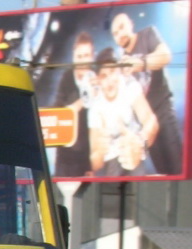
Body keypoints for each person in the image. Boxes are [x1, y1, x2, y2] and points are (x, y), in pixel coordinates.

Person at [110, 12, 182, 174]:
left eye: (121, 28)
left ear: (131, 24)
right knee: (162, 171)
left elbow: (166, 56)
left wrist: (142, 63)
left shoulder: (147, 34)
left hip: (163, 109)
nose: (119, 34)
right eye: (115, 33)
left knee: (178, 166)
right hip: (146, 124)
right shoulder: (121, 61)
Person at [88, 48, 159, 177]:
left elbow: (151, 121)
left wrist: (140, 141)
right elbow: (94, 160)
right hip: (112, 158)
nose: (109, 80)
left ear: (119, 71)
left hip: (135, 148)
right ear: (98, 80)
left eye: (112, 72)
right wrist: (100, 152)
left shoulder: (129, 86)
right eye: (104, 76)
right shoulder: (95, 107)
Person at [52, 31, 96, 177]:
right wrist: (82, 101)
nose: (83, 61)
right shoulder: (66, 78)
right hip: (66, 158)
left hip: (89, 159)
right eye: (79, 56)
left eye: (86, 56)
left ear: (92, 57)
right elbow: (58, 113)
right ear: (73, 57)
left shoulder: (99, 79)